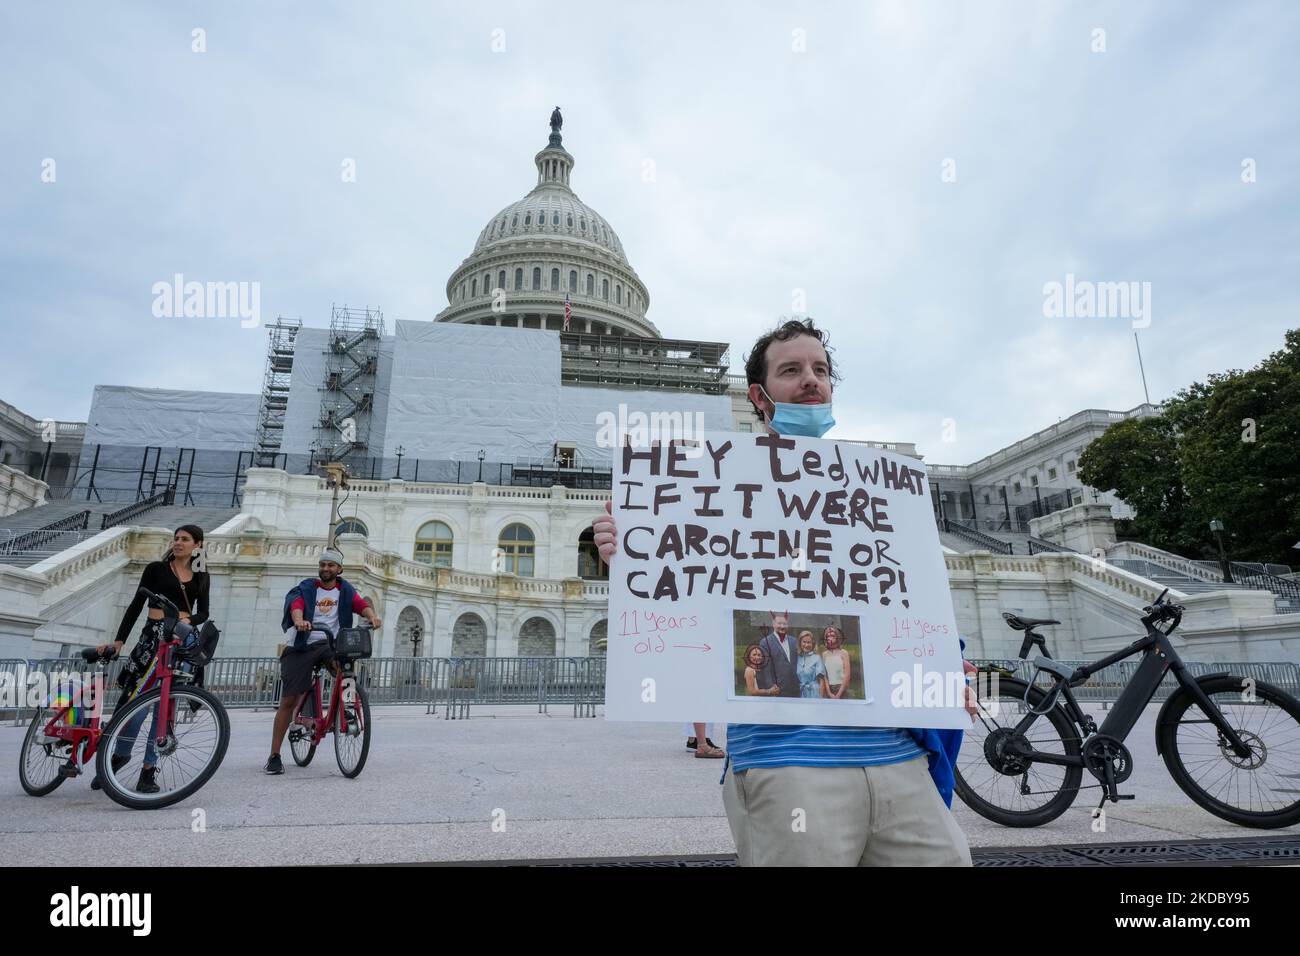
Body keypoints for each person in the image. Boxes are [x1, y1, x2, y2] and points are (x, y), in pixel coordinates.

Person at [594, 318, 978, 866]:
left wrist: (943, 663)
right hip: (788, 766)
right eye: (791, 370)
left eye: (820, 370)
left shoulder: (875, 489)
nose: (810, 381)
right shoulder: (712, 487)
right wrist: (627, 549)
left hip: (899, 762)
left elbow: (902, 599)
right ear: (759, 395)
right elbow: (686, 593)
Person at [91, 524, 210, 794]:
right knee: (137, 704)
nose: (178, 542)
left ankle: (148, 770)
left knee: (164, 708)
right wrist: (120, 640)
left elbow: (204, 612)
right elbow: (136, 605)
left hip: (179, 641)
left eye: (185, 539)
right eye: (176, 538)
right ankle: (119, 756)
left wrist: (184, 620)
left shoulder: (202, 575)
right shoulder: (156, 569)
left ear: (198, 545)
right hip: (151, 639)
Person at [264, 548, 382, 775]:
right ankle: (274, 755)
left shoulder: (345, 590)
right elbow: (296, 605)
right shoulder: (308, 588)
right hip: (303, 644)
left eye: (331, 565)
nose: (326, 569)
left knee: (345, 672)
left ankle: (347, 711)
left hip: (330, 644)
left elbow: (361, 605)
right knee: (288, 700)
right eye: (323, 565)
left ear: (339, 570)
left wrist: (372, 617)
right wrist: (300, 621)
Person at [757, 614, 801, 698]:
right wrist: (771, 687)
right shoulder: (765, 642)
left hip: (795, 689)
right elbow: (765, 667)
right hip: (777, 689)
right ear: (773, 624)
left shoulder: (794, 641)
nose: (782, 626)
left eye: (785, 624)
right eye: (779, 623)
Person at [796, 631, 830, 699]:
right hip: (801, 693)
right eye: (804, 642)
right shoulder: (798, 658)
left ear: (813, 644)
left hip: (814, 692)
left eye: (809, 642)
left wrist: (820, 699)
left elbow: (821, 681)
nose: (806, 645)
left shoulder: (817, 658)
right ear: (800, 643)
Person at [821, 625, 851, 699]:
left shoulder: (844, 653)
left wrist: (839, 694)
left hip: (842, 689)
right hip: (829, 690)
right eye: (828, 636)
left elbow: (847, 674)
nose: (830, 637)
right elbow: (824, 676)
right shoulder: (824, 654)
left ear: (837, 636)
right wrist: (829, 692)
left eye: (832, 635)